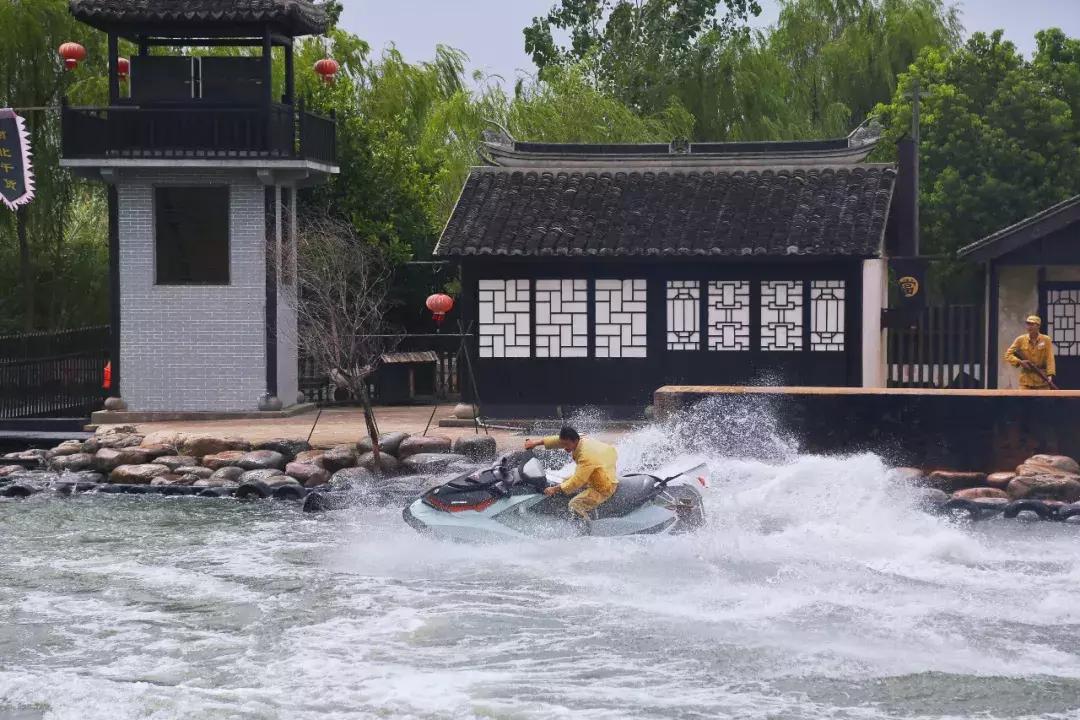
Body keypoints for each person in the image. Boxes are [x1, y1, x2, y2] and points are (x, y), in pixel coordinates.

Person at [524, 426, 618, 527]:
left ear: (575, 440)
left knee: (574, 505)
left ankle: (585, 532)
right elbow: (558, 440)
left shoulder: (586, 456)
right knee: (563, 482)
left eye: (566, 445)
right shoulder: (580, 438)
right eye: (563, 444)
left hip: (605, 485)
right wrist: (535, 443)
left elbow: (577, 481)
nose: (564, 448)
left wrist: (555, 489)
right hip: (596, 473)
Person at [1005, 315, 1057, 389]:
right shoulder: (1020, 340)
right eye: (1028, 324)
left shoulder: (1046, 340)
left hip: (1041, 378)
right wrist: (1020, 362)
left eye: (1032, 324)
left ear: (1038, 326)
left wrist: (1050, 374)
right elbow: (1008, 355)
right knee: (1024, 400)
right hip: (1026, 381)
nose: (1029, 327)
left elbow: (1050, 358)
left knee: (1044, 400)